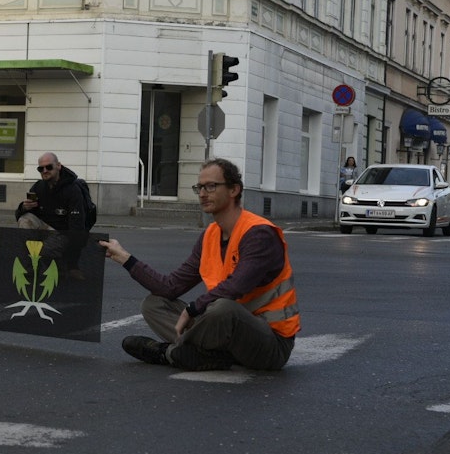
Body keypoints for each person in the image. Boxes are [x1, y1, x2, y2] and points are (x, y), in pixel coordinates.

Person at [99, 158, 300, 371]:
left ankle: (169, 352)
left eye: (211, 186)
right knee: (154, 304)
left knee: (223, 308)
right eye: (200, 187)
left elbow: (236, 286)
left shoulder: (259, 234)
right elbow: (170, 286)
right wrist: (125, 258)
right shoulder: (210, 236)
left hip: (269, 343)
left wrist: (193, 309)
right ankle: (206, 354)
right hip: (223, 333)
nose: (203, 193)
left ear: (234, 190)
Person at [16, 152, 87, 279]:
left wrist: (73, 263)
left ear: (58, 166)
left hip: (63, 232)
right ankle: (31, 266)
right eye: (40, 168)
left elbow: (77, 226)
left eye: (49, 167)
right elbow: (22, 215)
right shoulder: (38, 186)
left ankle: (62, 264)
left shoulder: (73, 189)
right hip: (45, 228)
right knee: (24, 219)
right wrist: (24, 207)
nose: (44, 171)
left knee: (43, 251)